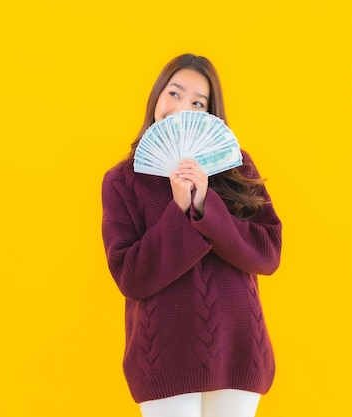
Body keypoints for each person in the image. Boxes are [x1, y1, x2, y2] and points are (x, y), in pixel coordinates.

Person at [101, 54, 282, 417]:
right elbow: (131, 277)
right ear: (156, 97)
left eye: (198, 103)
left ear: (211, 116)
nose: (183, 108)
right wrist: (180, 211)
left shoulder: (236, 166)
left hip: (239, 349)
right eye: (174, 93)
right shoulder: (121, 181)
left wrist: (204, 207)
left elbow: (267, 253)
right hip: (162, 356)